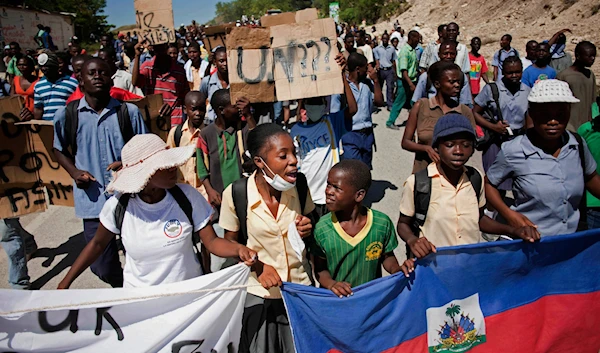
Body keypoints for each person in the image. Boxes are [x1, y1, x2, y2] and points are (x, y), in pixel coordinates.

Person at [57, 134, 257, 289]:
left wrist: (238, 249)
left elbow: (212, 242)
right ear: (145, 174)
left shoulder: (187, 197)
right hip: (142, 303)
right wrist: (64, 284)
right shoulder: (119, 207)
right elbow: (97, 244)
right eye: (164, 165)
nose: (173, 168)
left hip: (189, 299)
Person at [397, 114, 539, 273]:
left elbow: (478, 219)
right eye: (450, 144)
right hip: (433, 271)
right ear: (437, 147)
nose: (458, 151)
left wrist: (512, 230)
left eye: (466, 145)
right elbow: (403, 224)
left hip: (470, 270)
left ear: (472, 149)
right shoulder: (419, 183)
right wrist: (413, 240)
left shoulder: (475, 178)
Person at [218, 123, 315, 353]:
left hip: (298, 292)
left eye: (294, 152)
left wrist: (308, 228)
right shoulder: (236, 193)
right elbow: (230, 242)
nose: (293, 161)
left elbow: (312, 227)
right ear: (260, 162)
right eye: (283, 156)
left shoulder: (299, 185)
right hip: (258, 296)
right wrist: (259, 266)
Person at [53, 58, 149, 287]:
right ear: (81, 80)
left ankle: (137, 295)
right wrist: (74, 172)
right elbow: (58, 149)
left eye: (103, 72)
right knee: (101, 265)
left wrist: (126, 163)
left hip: (129, 198)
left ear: (111, 78)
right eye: (91, 73)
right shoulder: (68, 115)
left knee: (142, 257)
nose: (97, 77)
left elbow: (147, 149)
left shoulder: (129, 112)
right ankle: (122, 287)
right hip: (93, 202)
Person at [485, 79, 600, 236]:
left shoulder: (577, 144)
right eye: (545, 115)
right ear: (532, 114)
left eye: (560, 114)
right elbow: (489, 184)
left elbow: (591, 177)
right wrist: (510, 215)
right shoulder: (514, 150)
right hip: (533, 243)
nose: (553, 122)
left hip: (572, 242)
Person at [312, 160, 401, 297]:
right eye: (328, 184)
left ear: (359, 195)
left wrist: (397, 270)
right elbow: (320, 270)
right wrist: (332, 284)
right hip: (336, 302)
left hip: (371, 299)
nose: (328, 191)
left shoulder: (381, 223)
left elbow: (387, 257)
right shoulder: (322, 228)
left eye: (337, 188)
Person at [290, 54, 357, 217]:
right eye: (310, 103)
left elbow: (352, 109)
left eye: (318, 102)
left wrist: (342, 76)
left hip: (329, 195)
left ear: (325, 105)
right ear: (304, 106)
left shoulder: (332, 123)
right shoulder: (295, 130)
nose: (315, 106)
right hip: (306, 195)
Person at [402, 61, 476, 173]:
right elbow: (406, 142)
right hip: (424, 174)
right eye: (452, 82)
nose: (457, 85)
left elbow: (471, 146)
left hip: (453, 176)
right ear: (437, 84)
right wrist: (426, 149)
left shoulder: (464, 112)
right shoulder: (422, 106)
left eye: (458, 82)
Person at [473, 56, 530, 191]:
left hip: (518, 142)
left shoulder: (528, 91)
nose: (514, 76)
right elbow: (474, 112)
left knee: (519, 180)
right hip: (495, 142)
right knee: (495, 182)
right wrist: (493, 127)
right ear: (503, 72)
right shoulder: (491, 89)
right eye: (510, 73)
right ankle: (492, 211)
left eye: (517, 72)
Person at [341, 52, 385, 169]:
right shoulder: (343, 86)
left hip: (367, 134)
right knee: (354, 170)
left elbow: (379, 102)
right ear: (358, 69)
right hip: (351, 133)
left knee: (365, 170)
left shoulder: (367, 84)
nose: (368, 70)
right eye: (366, 67)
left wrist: (376, 81)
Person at [132, 41, 189, 126]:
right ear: (153, 49)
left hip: (175, 121)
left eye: (162, 47)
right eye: (157, 48)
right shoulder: (147, 67)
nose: (160, 51)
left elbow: (185, 96)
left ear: (167, 46)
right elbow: (135, 82)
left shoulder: (179, 71)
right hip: (155, 120)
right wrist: (137, 56)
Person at [167, 91, 208, 198]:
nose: (198, 113)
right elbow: (169, 161)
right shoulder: (176, 133)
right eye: (193, 109)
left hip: (204, 193)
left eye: (201, 109)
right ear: (185, 109)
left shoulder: (209, 133)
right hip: (181, 191)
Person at [411, 40, 473, 108]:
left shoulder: (461, 77)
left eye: (452, 54)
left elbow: (465, 105)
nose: (449, 56)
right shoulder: (427, 76)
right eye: (445, 54)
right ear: (439, 54)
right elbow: (416, 102)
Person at [557, 41, 597, 132]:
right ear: (578, 56)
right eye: (589, 56)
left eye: (594, 56)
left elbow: (593, 102)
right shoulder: (564, 76)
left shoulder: (590, 75)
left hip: (588, 126)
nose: (593, 59)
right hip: (570, 126)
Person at [387, 30, 420, 129]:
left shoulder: (412, 50)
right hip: (405, 81)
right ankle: (390, 122)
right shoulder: (405, 51)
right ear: (412, 38)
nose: (418, 41)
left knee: (413, 102)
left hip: (412, 80)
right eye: (417, 39)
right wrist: (410, 84)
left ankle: (414, 121)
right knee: (399, 102)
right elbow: (404, 70)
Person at [33, 53, 78, 121]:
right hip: (47, 126)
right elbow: (38, 108)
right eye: (41, 66)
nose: (44, 68)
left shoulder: (72, 83)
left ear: (55, 66)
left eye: (47, 66)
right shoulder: (38, 86)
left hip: (67, 125)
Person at [200, 47, 229, 124]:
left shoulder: (235, 82)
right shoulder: (207, 81)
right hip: (212, 124)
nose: (225, 64)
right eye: (221, 61)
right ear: (215, 63)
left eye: (228, 60)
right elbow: (201, 101)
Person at [373, 33, 397, 111]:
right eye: (383, 39)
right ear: (381, 39)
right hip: (381, 70)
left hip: (389, 70)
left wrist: (395, 72)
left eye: (386, 39)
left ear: (388, 39)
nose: (385, 40)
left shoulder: (392, 49)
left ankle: (390, 104)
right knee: (379, 87)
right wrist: (377, 66)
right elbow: (377, 60)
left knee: (390, 87)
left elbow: (393, 61)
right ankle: (379, 101)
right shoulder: (377, 49)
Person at [11, 56, 39, 120]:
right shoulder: (15, 80)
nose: (22, 67)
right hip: (20, 115)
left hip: (35, 115)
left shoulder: (38, 81)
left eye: (24, 65)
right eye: (19, 65)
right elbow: (11, 98)